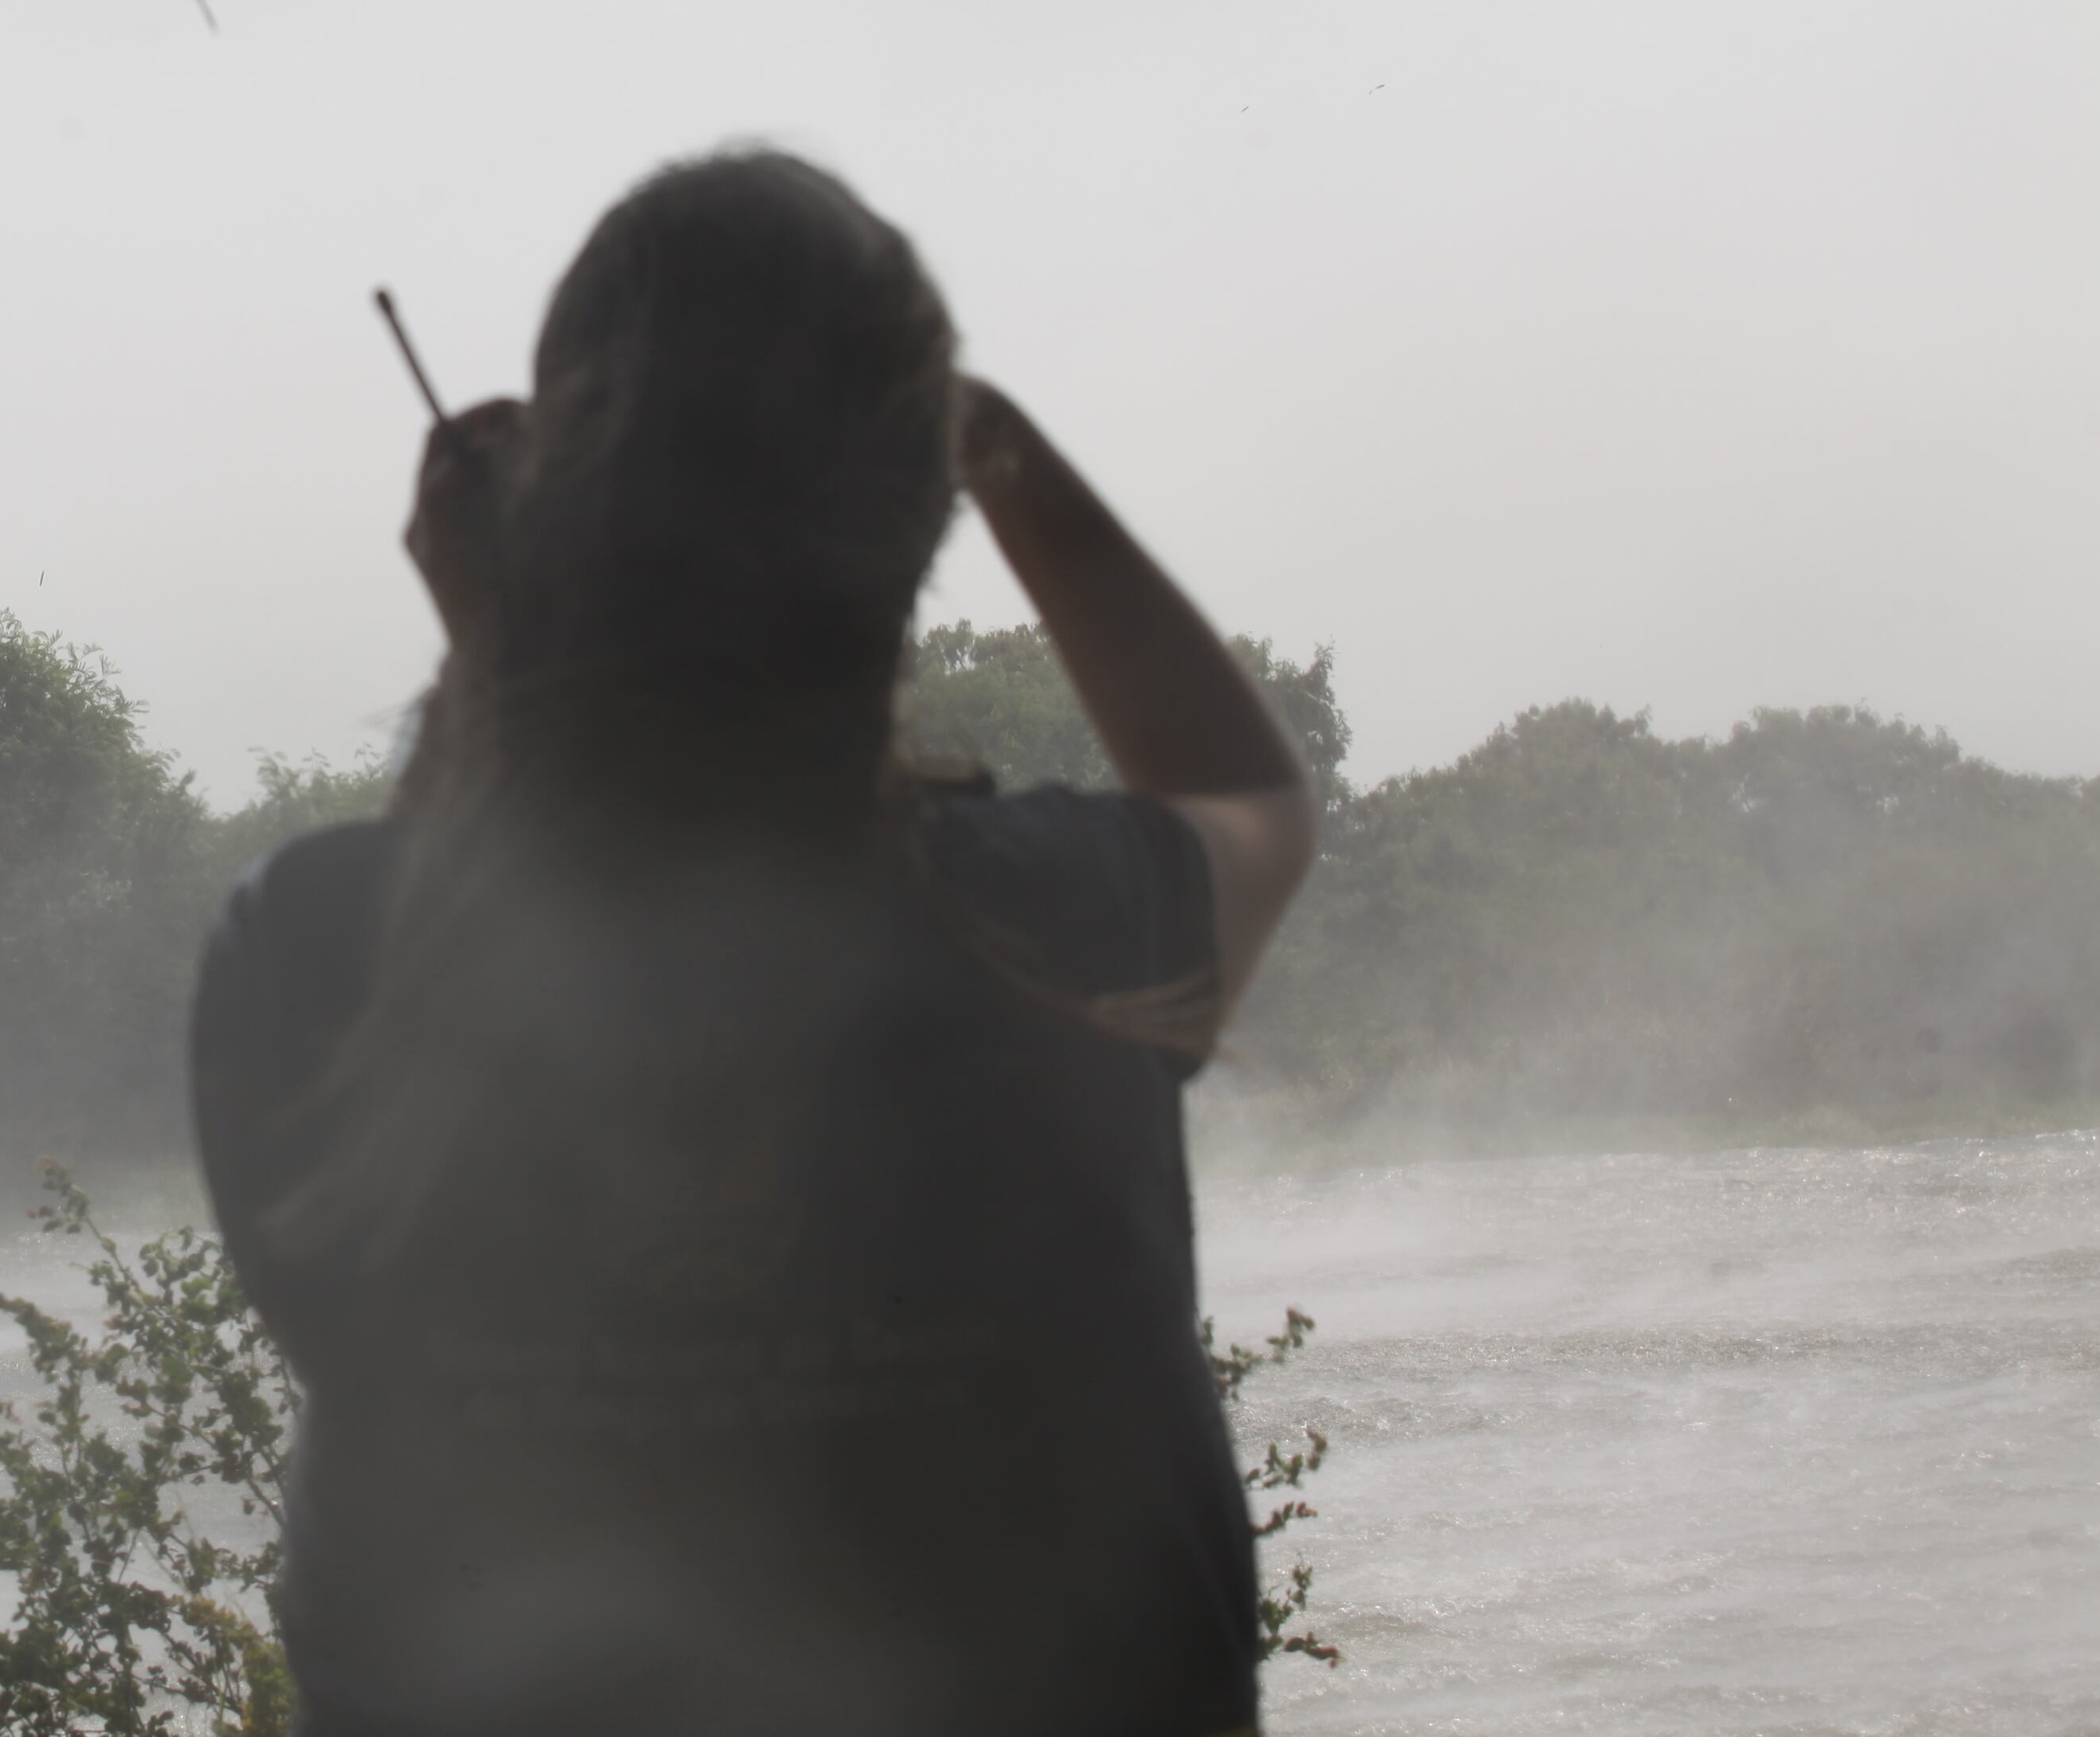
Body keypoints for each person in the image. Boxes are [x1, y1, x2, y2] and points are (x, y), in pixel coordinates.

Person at [192, 151, 1319, 1737]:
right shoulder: (1059, 916)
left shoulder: (307, 952)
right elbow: (1247, 788)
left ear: (556, 504)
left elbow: (425, 957)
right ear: (914, 505)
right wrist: (1001, 449)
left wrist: (499, 646)